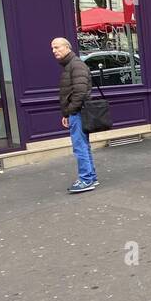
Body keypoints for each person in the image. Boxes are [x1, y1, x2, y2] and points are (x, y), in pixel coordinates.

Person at [52, 36, 97, 194]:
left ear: (67, 48)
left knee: (80, 147)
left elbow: (79, 93)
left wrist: (70, 111)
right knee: (83, 145)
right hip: (76, 111)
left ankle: (86, 180)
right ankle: (91, 177)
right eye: (53, 48)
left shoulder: (76, 65)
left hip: (78, 112)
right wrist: (67, 113)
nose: (54, 51)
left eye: (57, 47)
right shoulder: (71, 65)